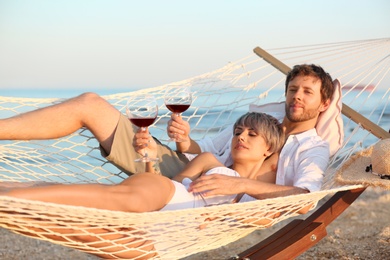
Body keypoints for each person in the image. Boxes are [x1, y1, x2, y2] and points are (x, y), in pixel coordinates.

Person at [0, 64, 334, 199]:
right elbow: (200, 149)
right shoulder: (258, 121)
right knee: (89, 103)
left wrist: (238, 183)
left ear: (323, 104)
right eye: (293, 89)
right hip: (187, 171)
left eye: (307, 92)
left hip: (208, 196)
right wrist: (184, 138)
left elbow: (305, 196)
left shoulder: (313, 147)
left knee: (99, 197)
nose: (296, 97)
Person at [0, 112, 284, 211]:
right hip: (163, 194)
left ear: (268, 149)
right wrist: (148, 158)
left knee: (89, 197)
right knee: (80, 198)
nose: (240, 137)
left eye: (252, 134)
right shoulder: (209, 159)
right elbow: (171, 184)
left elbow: (298, 197)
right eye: (237, 132)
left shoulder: (258, 188)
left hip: (166, 210)